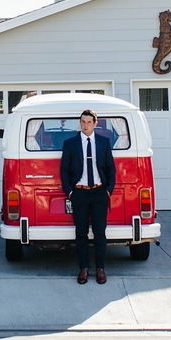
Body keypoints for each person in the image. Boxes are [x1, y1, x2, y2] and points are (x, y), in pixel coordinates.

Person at [60, 109, 116, 285]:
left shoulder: (103, 142)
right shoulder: (70, 144)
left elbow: (110, 169)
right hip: (79, 193)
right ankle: (83, 268)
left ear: (95, 124)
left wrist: (108, 190)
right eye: (82, 121)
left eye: (89, 122)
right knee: (81, 233)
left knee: (100, 232)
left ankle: (100, 269)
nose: (85, 125)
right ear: (80, 122)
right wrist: (70, 192)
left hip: (99, 192)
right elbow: (64, 170)